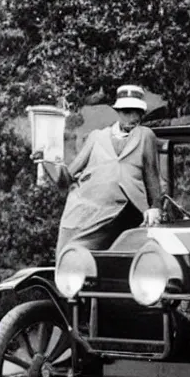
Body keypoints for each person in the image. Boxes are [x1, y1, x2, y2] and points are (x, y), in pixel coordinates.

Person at [34, 84, 162, 257]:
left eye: (137, 112)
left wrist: (155, 207)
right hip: (88, 209)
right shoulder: (97, 137)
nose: (132, 117)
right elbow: (66, 178)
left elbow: (152, 175)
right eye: (127, 112)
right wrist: (46, 161)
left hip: (125, 211)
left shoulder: (145, 135)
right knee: (70, 257)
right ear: (118, 112)